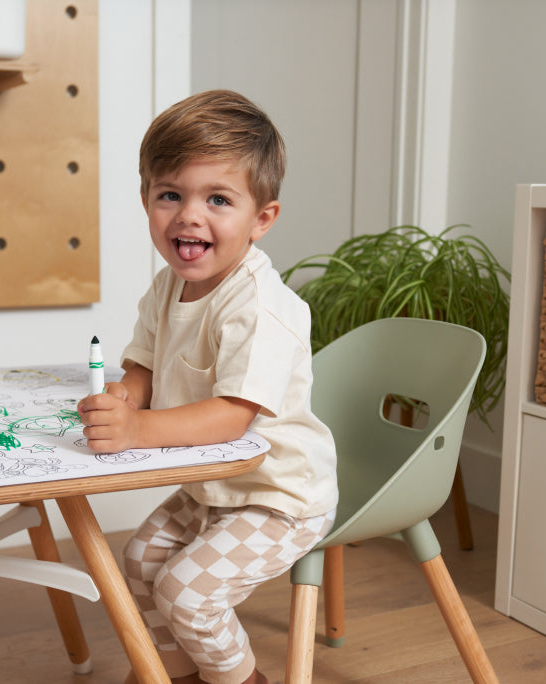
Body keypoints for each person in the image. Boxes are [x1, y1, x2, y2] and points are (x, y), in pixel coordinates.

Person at [77, 90, 339, 684]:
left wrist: (137, 430)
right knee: (139, 560)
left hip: (279, 497)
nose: (189, 216)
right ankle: (174, 673)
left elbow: (231, 417)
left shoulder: (261, 309)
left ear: (261, 218)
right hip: (213, 488)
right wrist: (126, 397)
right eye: (171, 195)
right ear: (146, 200)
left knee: (188, 594)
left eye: (218, 199)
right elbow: (142, 364)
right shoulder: (168, 287)